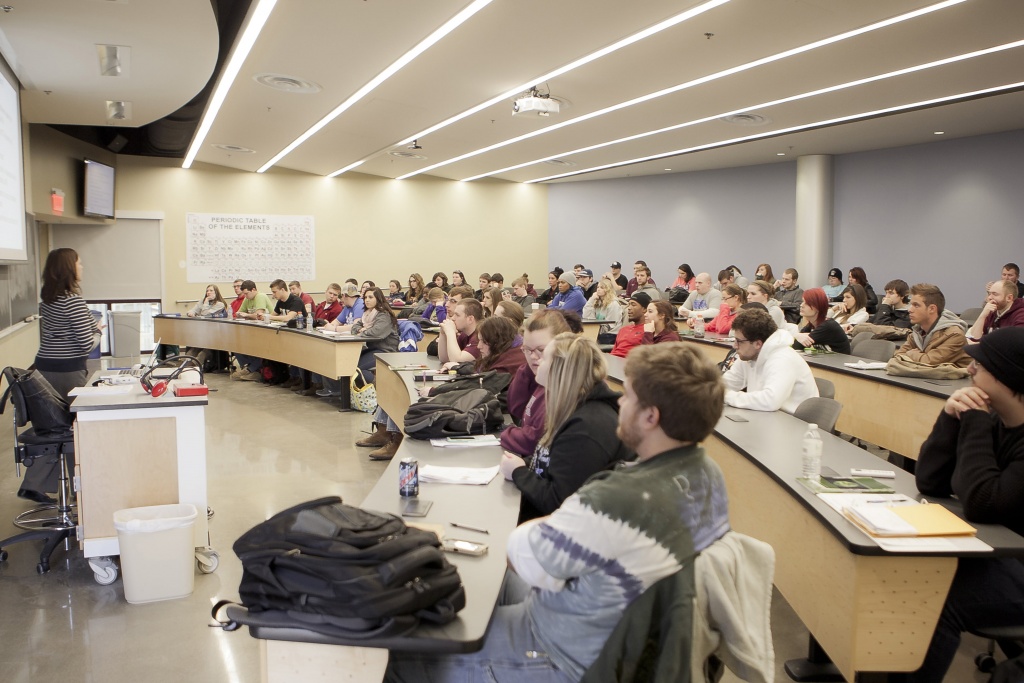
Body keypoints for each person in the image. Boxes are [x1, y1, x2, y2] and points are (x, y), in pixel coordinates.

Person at [387, 343, 730, 682]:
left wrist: (551, 521)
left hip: (564, 653)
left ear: (650, 417)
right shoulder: (708, 474)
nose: (619, 402)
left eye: (627, 396)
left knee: (401, 653)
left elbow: (521, 554)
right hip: (627, 640)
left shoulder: (617, 496)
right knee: (490, 586)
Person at [909, 327, 1024, 683]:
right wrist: (949, 418)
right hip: (996, 554)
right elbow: (931, 482)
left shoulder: (988, 423)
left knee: (937, 601)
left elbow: (981, 502)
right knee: (909, 574)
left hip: (1015, 564)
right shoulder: (995, 421)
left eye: (980, 365)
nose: (969, 370)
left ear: (1006, 377)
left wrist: (973, 420)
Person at [499, 333, 629, 522]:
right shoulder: (571, 407)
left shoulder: (586, 427)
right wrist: (525, 464)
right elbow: (551, 461)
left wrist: (518, 472)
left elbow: (558, 501)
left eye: (544, 357)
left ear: (559, 369)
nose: (537, 361)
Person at [34, 247, 102, 402]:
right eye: (79, 263)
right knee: (75, 409)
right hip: (66, 367)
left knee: (53, 410)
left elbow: (86, 323)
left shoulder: (48, 299)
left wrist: (93, 327)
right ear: (69, 268)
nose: (82, 267)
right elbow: (87, 344)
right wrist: (98, 333)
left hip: (44, 363)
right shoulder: (72, 301)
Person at [502, 310, 572, 458]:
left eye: (541, 350)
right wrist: (528, 369)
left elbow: (535, 440)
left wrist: (507, 433)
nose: (533, 356)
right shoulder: (539, 376)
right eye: (526, 349)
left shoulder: (563, 387)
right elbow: (515, 408)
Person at [723, 308, 818, 413]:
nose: (735, 346)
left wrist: (727, 396)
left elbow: (770, 401)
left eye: (739, 341)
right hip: (767, 416)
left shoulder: (782, 359)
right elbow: (725, 383)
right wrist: (712, 390)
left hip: (792, 420)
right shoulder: (749, 356)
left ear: (757, 344)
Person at [346, 288, 403, 460]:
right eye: (365, 297)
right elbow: (355, 327)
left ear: (378, 298)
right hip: (373, 349)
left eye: (370, 297)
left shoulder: (384, 315)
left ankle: (385, 431)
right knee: (350, 365)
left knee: (356, 368)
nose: (367, 300)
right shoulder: (367, 315)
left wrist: (362, 330)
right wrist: (361, 329)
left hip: (385, 351)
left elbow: (376, 333)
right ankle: (382, 431)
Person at [895, 283, 971, 368]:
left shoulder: (954, 335)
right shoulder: (918, 331)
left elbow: (928, 363)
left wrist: (911, 354)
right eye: (910, 304)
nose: (910, 310)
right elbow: (898, 356)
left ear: (932, 309)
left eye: (916, 305)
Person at [792, 287, 851, 354]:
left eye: (807, 303)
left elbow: (799, 344)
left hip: (839, 360)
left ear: (818, 307)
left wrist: (797, 336)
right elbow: (796, 347)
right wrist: (798, 336)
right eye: (802, 302)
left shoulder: (827, 326)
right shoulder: (811, 325)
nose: (801, 305)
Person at [438, 298, 483, 363]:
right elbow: (444, 359)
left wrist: (450, 332)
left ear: (470, 319)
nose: (453, 318)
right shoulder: (464, 335)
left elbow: (457, 360)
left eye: (457, 315)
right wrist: (443, 333)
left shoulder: (479, 337)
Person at [582, 276, 624, 342]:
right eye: (598, 287)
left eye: (602, 288)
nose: (598, 289)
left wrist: (595, 331)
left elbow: (610, 325)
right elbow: (587, 316)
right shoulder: (597, 302)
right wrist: (592, 299)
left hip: (611, 334)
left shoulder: (613, 304)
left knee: (589, 340)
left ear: (608, 289)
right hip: (598, 332)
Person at [610, 292, 651, 358]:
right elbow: (613, 351)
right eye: (629, 304)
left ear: (644, 309)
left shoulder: (648, 331)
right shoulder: (623, 330)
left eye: (633, 305)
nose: (629, 308)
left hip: (629, 362)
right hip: (612, 359)